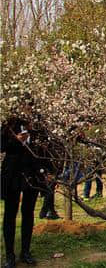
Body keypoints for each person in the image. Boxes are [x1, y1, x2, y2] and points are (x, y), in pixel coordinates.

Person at [1, 112, 48, 267]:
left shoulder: (37, 124)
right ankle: (9, 256)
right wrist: (16, 140)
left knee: (28, 213)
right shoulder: (8, 124)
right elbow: (1, 146)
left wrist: (45, 171)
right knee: (10, 213)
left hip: (32, 173)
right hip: (12, 173)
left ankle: (25, 252)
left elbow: (44, 148)